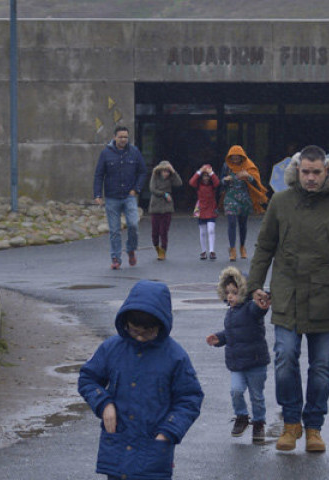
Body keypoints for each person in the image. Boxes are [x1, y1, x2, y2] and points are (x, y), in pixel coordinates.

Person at [247, 145, 329, 453]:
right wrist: (254, 285)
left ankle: (314, 427)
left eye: (316, 172)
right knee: (285, 357)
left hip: (326, 297)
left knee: (321, 366)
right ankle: (290, 424)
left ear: (327, 172)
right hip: (287, 294)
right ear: (297, 172)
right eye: (305, 172)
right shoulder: (281, 202)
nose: (311, 178)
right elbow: (264, 247)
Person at [78, 280, 204, 480]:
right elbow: (87, 379)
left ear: (160, 325)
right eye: (134, 330)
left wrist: (168, 432)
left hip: (154, 451)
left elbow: (190, 399)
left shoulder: (175, 356)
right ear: (125, 322)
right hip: (117, 448)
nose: (139, 337)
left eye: (147, 332)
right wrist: (104, 403)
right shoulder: (112, 348)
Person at [205, 267, 271, 444]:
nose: (230, 297)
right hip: (237, 363)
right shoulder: (231, 312)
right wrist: (219, 338)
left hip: (256, 362)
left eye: (234, 292)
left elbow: (260, 310)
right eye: (227, 293)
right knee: (236, 390)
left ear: (243, 292)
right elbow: (231, 333)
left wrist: (263, 300)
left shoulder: (251, 308)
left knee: (257, 396)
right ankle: (241, 416)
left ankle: (259, 423)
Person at [93, 126, 148, 270]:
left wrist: (136, 189)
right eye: (121, 137)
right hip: (112, 197)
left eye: (125, 137)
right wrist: (98, 194)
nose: (123, 139)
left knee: (133, 224)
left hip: (129, 196)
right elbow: (99, 174)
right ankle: (116, 258)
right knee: (115, 230)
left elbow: (142, 172)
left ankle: (131, 249)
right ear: (114, 137)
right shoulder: (106, 153)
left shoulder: (134, 152)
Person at [219, 145, 268, 262]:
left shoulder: (248, 166)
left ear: (242, 157)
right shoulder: (226, 166)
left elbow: (256, 182)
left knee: (242, 224)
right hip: (230, 197)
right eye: (233, 158)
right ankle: (232, 249)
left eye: (237, 158)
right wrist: (224, 180)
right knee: (231, 222)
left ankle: (242, 247)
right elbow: (220, 181)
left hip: (244, 198)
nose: (235, 160)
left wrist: (248, 177)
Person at [148, 160, 182, 261]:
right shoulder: (155, 176)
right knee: (155, 231)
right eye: (164, 171)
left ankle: (163, 251)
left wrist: (173, 172)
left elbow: (179, 183)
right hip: (156, 205)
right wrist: (164, 194)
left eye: (167, 171)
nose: (166, 173)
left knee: (164, 231)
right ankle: (157, 247)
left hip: (167, 206)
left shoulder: (171, 177)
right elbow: (152, 189)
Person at [189, 164, 220, 260]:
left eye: (207, 176)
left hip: (211, 208)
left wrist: (212, 173)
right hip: (201, 209)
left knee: (211, 230)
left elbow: (217, 182)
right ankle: (203, 251)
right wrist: (199, 171)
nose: (206, 178)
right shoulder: (198, 185)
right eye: (204, 176)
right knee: (202, 232)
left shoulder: (213, 185)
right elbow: (191, 182)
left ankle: (211, 250)